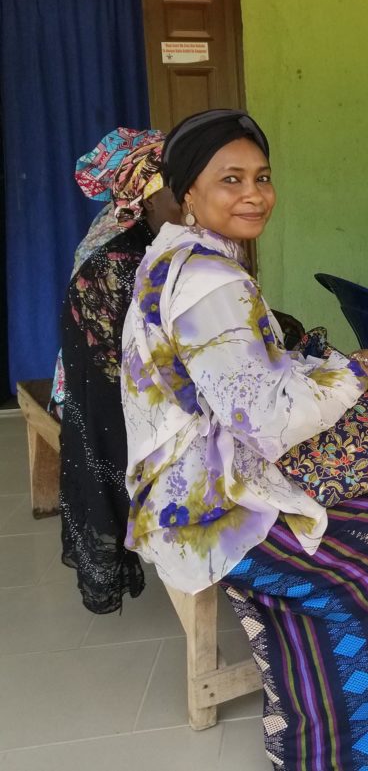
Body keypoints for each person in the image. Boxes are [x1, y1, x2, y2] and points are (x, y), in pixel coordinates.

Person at [121, 109, 368, 771]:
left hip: (203, 473)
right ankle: (347, 739)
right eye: (231, 180)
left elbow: (247, 380)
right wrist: (361, 369)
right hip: (212, 506)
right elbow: (268, 420)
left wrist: (321, 369)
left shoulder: (178, 258)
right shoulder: (207, 286)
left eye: (263, 176)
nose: (254, 193)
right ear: (189, 190)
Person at [57, 127, 181, 613]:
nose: (194, 200)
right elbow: (128, 374)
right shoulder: (117, 263)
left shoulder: (164, 241)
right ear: (145, 200)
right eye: (180, 190)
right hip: (110, 401)